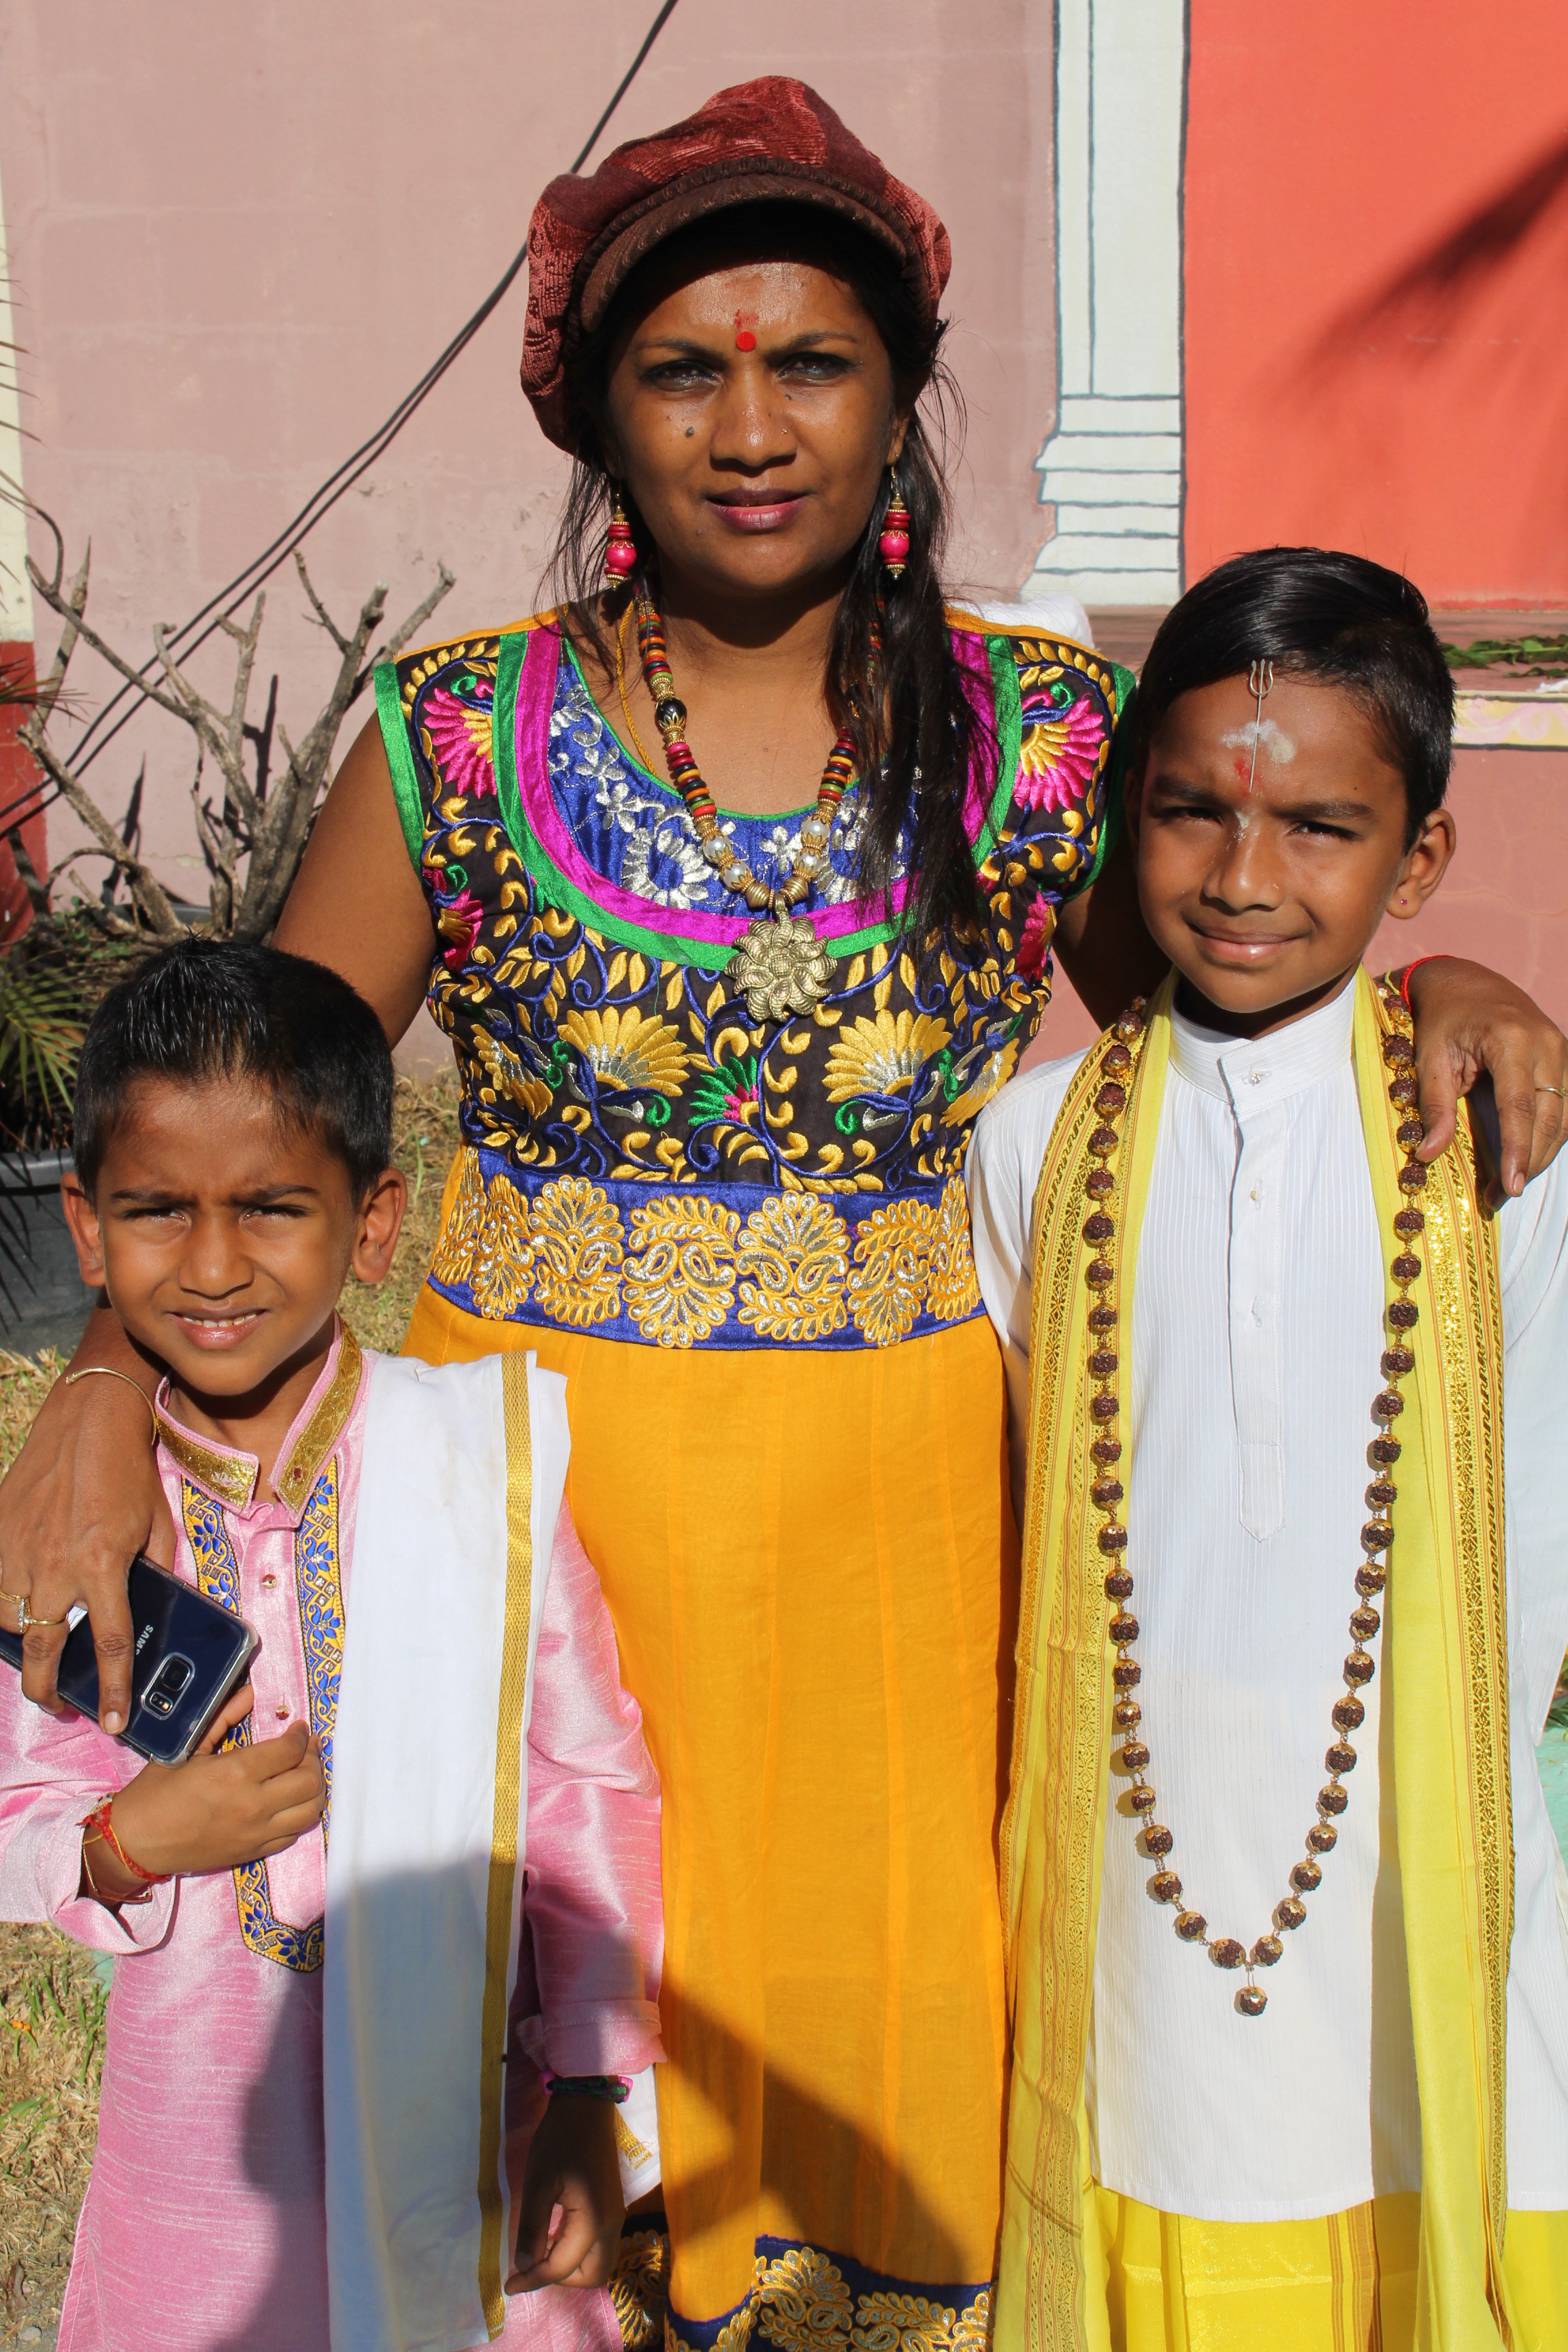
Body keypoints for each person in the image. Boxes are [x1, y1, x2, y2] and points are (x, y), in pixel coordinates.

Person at [1, 84, 1565, 2352]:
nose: (751, 427)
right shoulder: (452, 737)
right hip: (531, 1527)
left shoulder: (1038, 740)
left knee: (875, 2110)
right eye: (684, 368)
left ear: (900, 394)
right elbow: (235, 1138)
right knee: (516, 2115)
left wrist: (1449, 977)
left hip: (904, 1568)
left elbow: (1234, 1014)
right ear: (597, 412)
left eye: (809, 362)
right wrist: (92, 1383)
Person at [967, 549, 1568, 2352]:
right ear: (1125, 822)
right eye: (1193, 815)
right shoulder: (1027, 1145)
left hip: (1432, 1901)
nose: (1245, 879)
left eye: (1319, 827)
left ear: (1422, 861)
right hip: (1135, 1906)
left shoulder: (1507, 1151)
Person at [0, 941, 664, 2352]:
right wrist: (129, 1841)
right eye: (159, 1213)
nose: (217, 1264)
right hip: (197, 2171)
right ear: (84, 1229)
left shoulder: (472, 1469)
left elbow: (584, 1785)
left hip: (470, 2133)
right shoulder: (80, 1526)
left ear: (373, 1224)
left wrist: (598, 2101)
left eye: (272, 1208)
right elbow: (16, 1802)